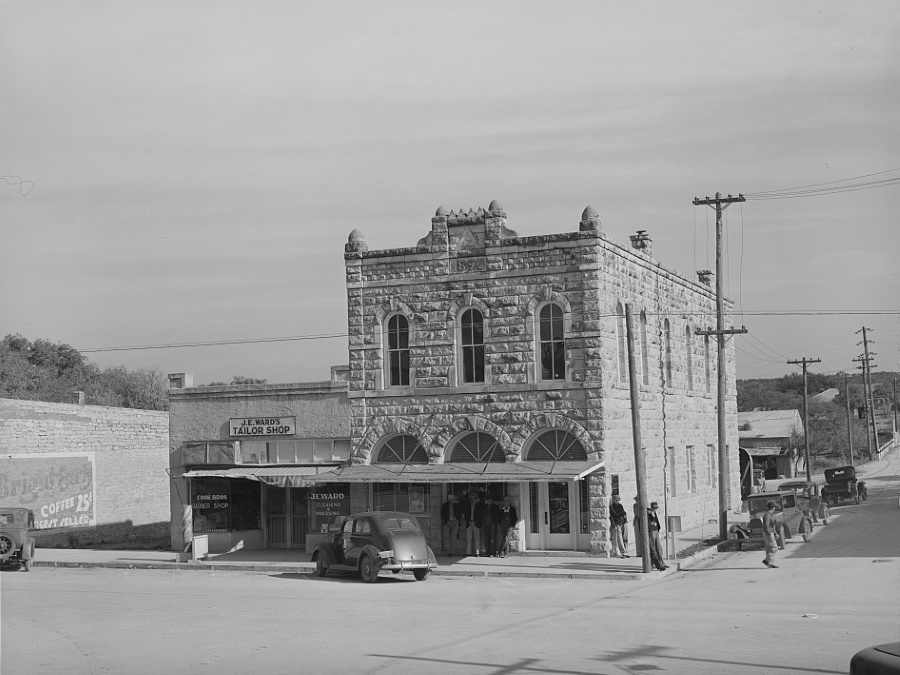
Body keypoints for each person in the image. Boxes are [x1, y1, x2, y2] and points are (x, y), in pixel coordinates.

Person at [647, 502, 668, 571]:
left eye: (656, 508)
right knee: (653, 549)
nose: (655, 509)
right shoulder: (648, 514)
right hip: (651, 532)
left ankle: (661, 562)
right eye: (654, 508)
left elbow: (656, 521)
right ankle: (657, 564)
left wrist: (658, 528)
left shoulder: (654, 513)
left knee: (659, 548)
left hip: (655, 530)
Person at [762, 500, 779, 568]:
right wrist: (770, 533)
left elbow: (772, 526)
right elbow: (766, 526)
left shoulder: (769, 515)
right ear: (773, 508)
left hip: (770, 532)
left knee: (769, 549)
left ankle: (770, 563)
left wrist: (775, 533)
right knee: (774, 548)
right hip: (768, 533)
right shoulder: (767, 515)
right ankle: (767, 560)